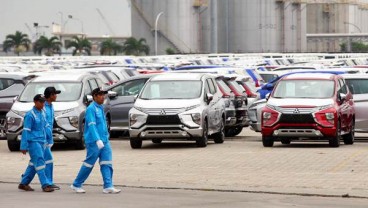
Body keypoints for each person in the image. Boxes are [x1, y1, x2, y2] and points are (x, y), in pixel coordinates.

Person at [71, 88, 121, 194]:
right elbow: (92, 125)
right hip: (94, 142)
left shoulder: (100, 107)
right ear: (94, 96)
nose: (103, 97)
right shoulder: (91, 109)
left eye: (103, 95)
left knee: (107, 162)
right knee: (89, 163)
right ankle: (76, 184)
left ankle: (108, 185)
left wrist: (105, 137)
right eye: (100, 95)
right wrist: (97, 139)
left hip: (104, 140)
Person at [18, 94, 55, 192]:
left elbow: (46, 127)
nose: (43, 104)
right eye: (41, 102)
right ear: (35, 102)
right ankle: (45, 184)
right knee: (39, 162)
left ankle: (24, 183)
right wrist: (24, 145)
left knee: (33, 164)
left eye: (43, 102)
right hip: (33, 142)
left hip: (42, 141)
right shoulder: (30, 115)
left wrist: (50, 140)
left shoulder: (42, 112)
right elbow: (26, 130)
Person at [43, 86, 61, 190]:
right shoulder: (43, 106)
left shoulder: (51, 106)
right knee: (48, 160)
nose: (56, 96)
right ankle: (48, 182)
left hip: (48, 137)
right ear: (50, 95)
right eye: (55, 94)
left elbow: (51, 123)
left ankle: (24, 181)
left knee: (35, 162)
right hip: (42, 138)